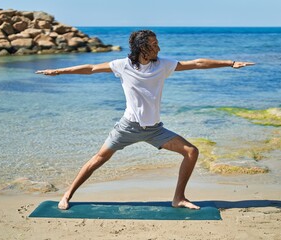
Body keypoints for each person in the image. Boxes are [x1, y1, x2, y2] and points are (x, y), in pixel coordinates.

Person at [36, 30, 254, 210]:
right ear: (143, 48)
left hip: (155, 130)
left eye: (158, 43)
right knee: (99, 159)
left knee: (191, 152)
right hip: (127, 127)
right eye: (154, 44)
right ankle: (66, 195)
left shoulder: (163, 64)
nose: (159, 48)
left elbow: (196, 63)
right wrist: (59, 71)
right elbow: (91, 69)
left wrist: (230, 63)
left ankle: (178, 198)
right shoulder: (122, 65)